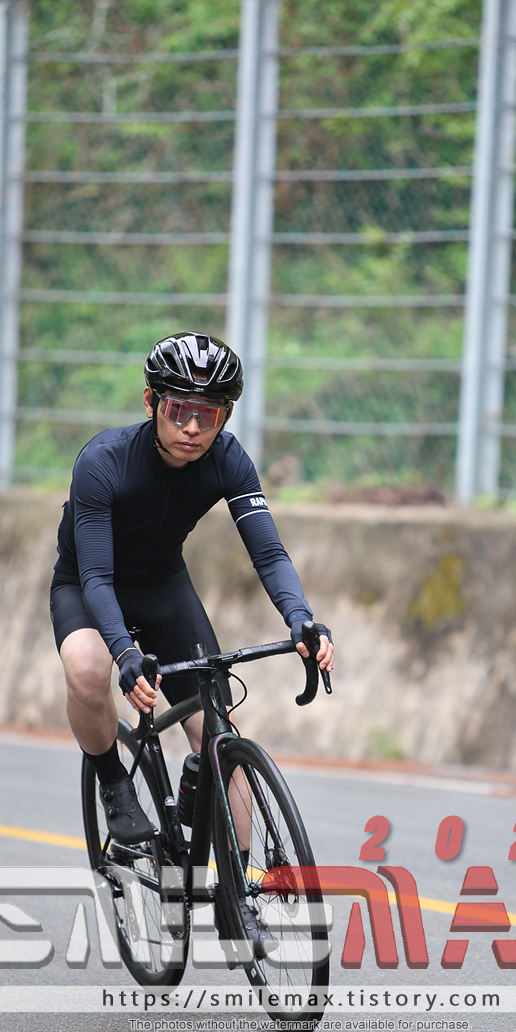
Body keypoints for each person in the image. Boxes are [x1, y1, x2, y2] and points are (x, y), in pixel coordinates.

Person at [50, 332, 334, 956]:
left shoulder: (229, 460)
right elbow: (95, 578)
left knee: (220, 739)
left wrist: (301, 619)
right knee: (88, 668)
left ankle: (237, 896)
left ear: (226, 416)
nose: (193, 428)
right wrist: (125, 655)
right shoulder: (102, 461)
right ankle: (114, 782)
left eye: (210, 413)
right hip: (91, 587)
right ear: (151, 402)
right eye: (179, 409)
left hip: (164, 588)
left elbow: (269, 552)